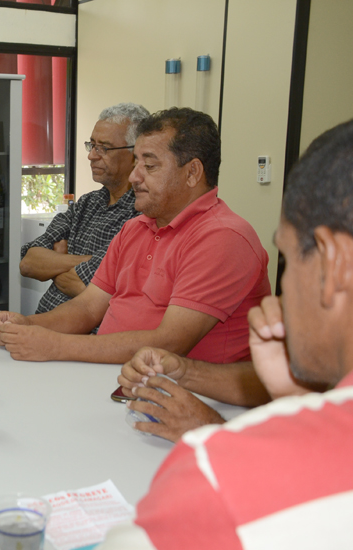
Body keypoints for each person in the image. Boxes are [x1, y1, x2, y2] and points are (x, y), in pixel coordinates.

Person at [98, 118, 353, 550]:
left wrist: (214, 441)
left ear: (332, 263)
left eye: (288, 257)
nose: (283, 289)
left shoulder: (218, 480)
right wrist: (295, 402)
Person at [0, 108, 270, 364]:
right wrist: (28, 325)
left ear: (192, 173)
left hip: (190, 398)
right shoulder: (136, 228)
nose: (134, 176)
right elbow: (88, 309)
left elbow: (170, 342)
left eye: (149, 166)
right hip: (116, 376)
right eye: (136, 163)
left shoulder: (222, 237)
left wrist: (55, 345)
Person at [20, 103, 148, 313]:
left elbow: (105, 295)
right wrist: (95, 262)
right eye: (92, 145)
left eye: (103, 148)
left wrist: (55, 263)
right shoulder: (86, 204)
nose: (91, 156)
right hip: (43, 324)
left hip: (87, 338)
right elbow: (28, 262)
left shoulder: (142, 214)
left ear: (135, 156)